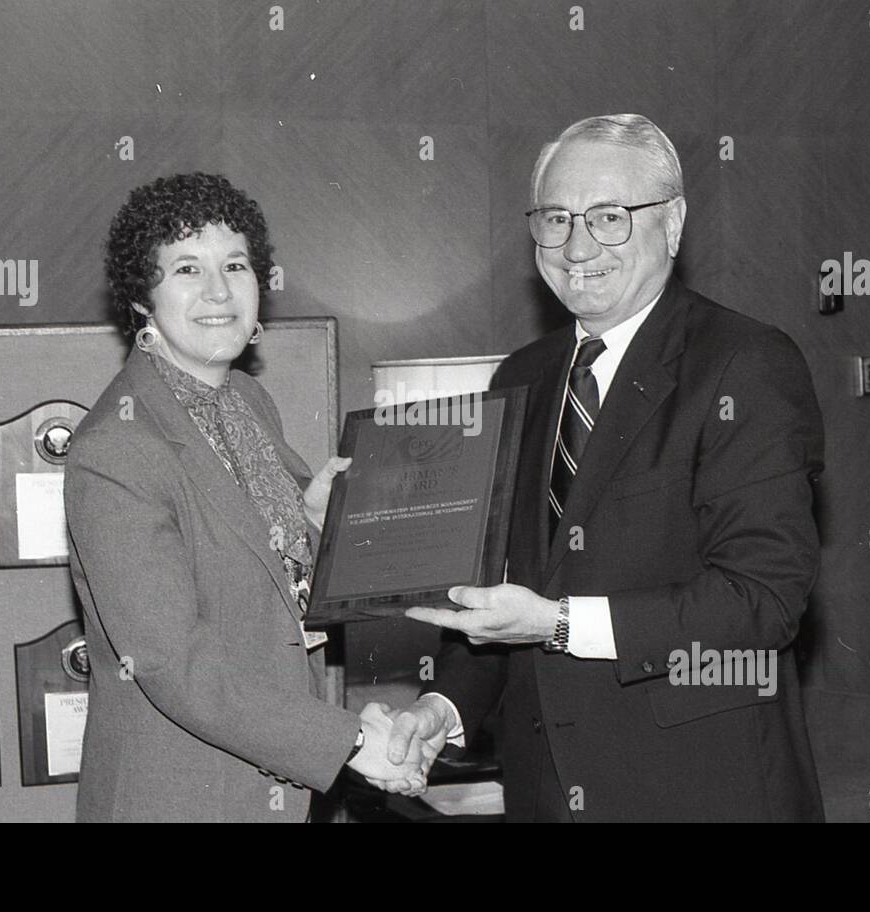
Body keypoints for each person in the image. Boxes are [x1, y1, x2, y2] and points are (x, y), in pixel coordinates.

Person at [386, 115, 827, 822]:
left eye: (611, 217)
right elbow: (502, 597)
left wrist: (559, 624)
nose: (578, 244)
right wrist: (444, 710)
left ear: (673, 224)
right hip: (545, 793)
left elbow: (762, 603)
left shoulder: (744, 365)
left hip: (698, 792)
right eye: (555, 218)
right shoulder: (520, 379)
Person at [64, 173, 424, 822]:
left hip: (273, 794)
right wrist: (351, 741)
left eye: (236, 264)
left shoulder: (248, 403)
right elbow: (174, 661)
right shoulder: (114, 448)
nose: (219, 292)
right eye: (185, 269)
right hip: (180, 800)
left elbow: (270, 591)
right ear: (141, 298)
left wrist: (313, 523)